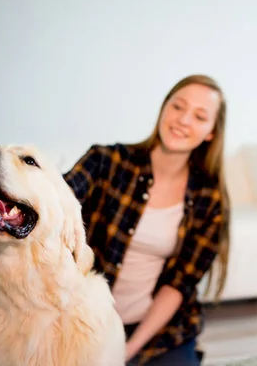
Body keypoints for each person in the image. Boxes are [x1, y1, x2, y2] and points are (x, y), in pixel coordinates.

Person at [63, 74, 231, 365]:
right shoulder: (105, 160)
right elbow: (52, 206)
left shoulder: (209, 197)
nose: (183, 120)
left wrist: (127, 351)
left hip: (155, 331)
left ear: (210, 133)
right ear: (164, 108)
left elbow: (178, 285)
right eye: (178, 106)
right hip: (84, 321)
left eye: (200, 116)